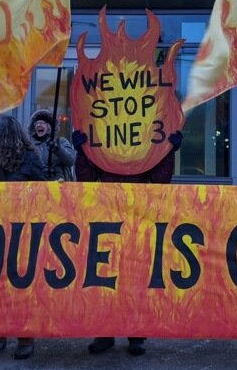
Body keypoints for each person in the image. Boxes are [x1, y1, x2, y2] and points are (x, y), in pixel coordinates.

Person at [72, 124, 183, 357]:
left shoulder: (146, 146)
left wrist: (168, 151)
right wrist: (82, 153)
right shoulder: (101, 145)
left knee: (134, 279)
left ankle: (136, 334)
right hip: (106, 221)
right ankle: (104, 333)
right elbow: (87, 179)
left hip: (136, 221)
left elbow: (160, 181)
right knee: (104, 279)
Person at [0, 115, 46, 360]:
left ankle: (25, 336)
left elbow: (42, 193)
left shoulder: (30, 160)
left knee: (21, 284)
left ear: (3, 135)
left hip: (23, 231)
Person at [28, 109, 76, 181]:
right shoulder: (31, 146)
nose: (38, 125)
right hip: (39, 187)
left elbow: (71, 160)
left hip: (60, 186)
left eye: (41, 122)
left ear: (49, 126)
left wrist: (57, 148)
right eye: (36, 123)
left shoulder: (61, 142)